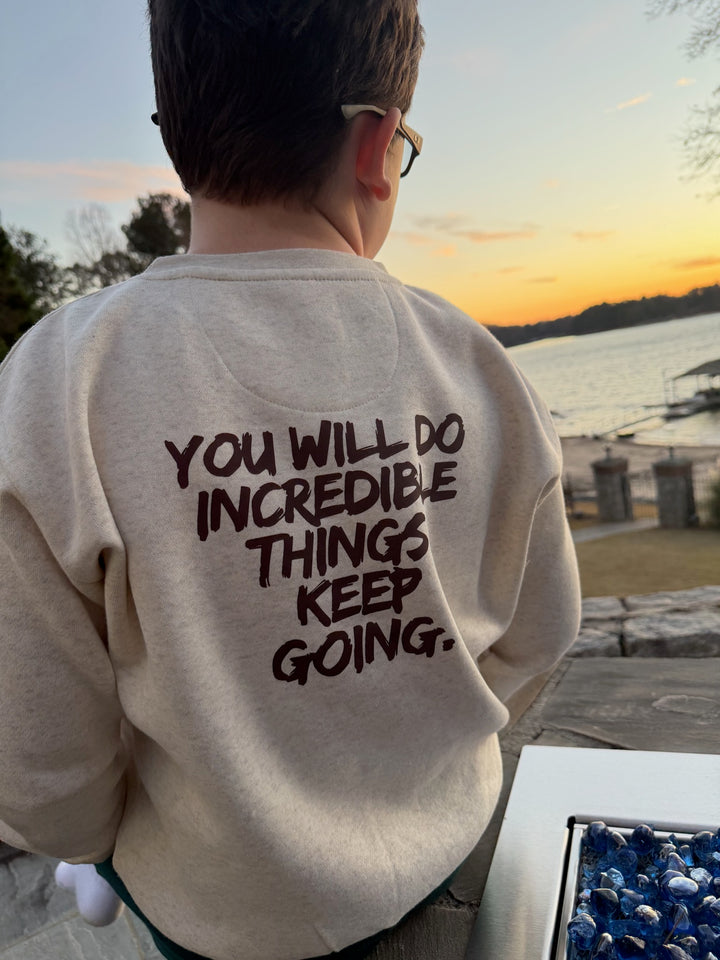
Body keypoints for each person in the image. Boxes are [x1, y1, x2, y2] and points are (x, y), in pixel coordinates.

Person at [0, 2, 581, 958]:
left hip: (221, 917)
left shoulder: (62, 384)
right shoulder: (479, 367)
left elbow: (40, 761)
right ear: (376, 146)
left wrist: (103, 846)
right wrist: (412, 766)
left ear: (176, 138)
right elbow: (539, 638)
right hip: (452, 852)